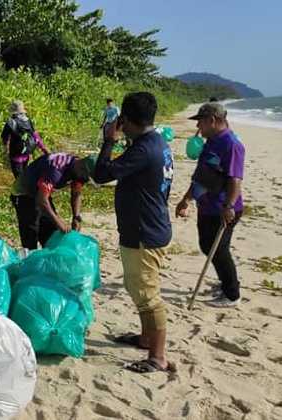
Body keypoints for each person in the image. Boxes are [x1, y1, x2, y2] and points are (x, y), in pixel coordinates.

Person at [92, 92, 175, 374]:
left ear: (126, 119)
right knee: (138, 288)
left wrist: (108, 141)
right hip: (150, 226)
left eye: (122, 122)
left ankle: (158, 356)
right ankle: (145, 339)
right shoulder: (157, 142)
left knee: (148, 295)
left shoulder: (143, 150)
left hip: (144, 232)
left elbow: (102, 174)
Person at [176, 102, 245, 308]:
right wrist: (186, 199)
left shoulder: (231, 144)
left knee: (218, 249)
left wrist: (229, 206)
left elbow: (235, 179)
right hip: (206, 205)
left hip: (222, 208)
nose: (199, 128)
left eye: (201, 123)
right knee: (207, 246)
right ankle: (225, 283)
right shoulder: (211, 142)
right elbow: (201, 176)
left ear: (212, 121)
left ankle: (232, 294)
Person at [10, 153, 95, 250]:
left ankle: (46, 259)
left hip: (41, 192)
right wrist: (59, 222)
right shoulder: (56, 169)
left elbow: (76, 193)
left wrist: (76, 217)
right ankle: (30, 258)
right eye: (86, 178)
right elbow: (41, 200)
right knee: (31, 232)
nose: (85, 181)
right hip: (24, 193)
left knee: (50, 232)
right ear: (82, 168)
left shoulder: (78, 171)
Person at [1, 100, 46, 179]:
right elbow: (35, 135)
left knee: (19, 179)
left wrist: (5, 151)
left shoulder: (10, 122)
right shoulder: (28, 120)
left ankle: (22, 190)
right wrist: (44, 149)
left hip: (15, 155)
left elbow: (4, 138)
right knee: (24, 175)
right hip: (26, 154)